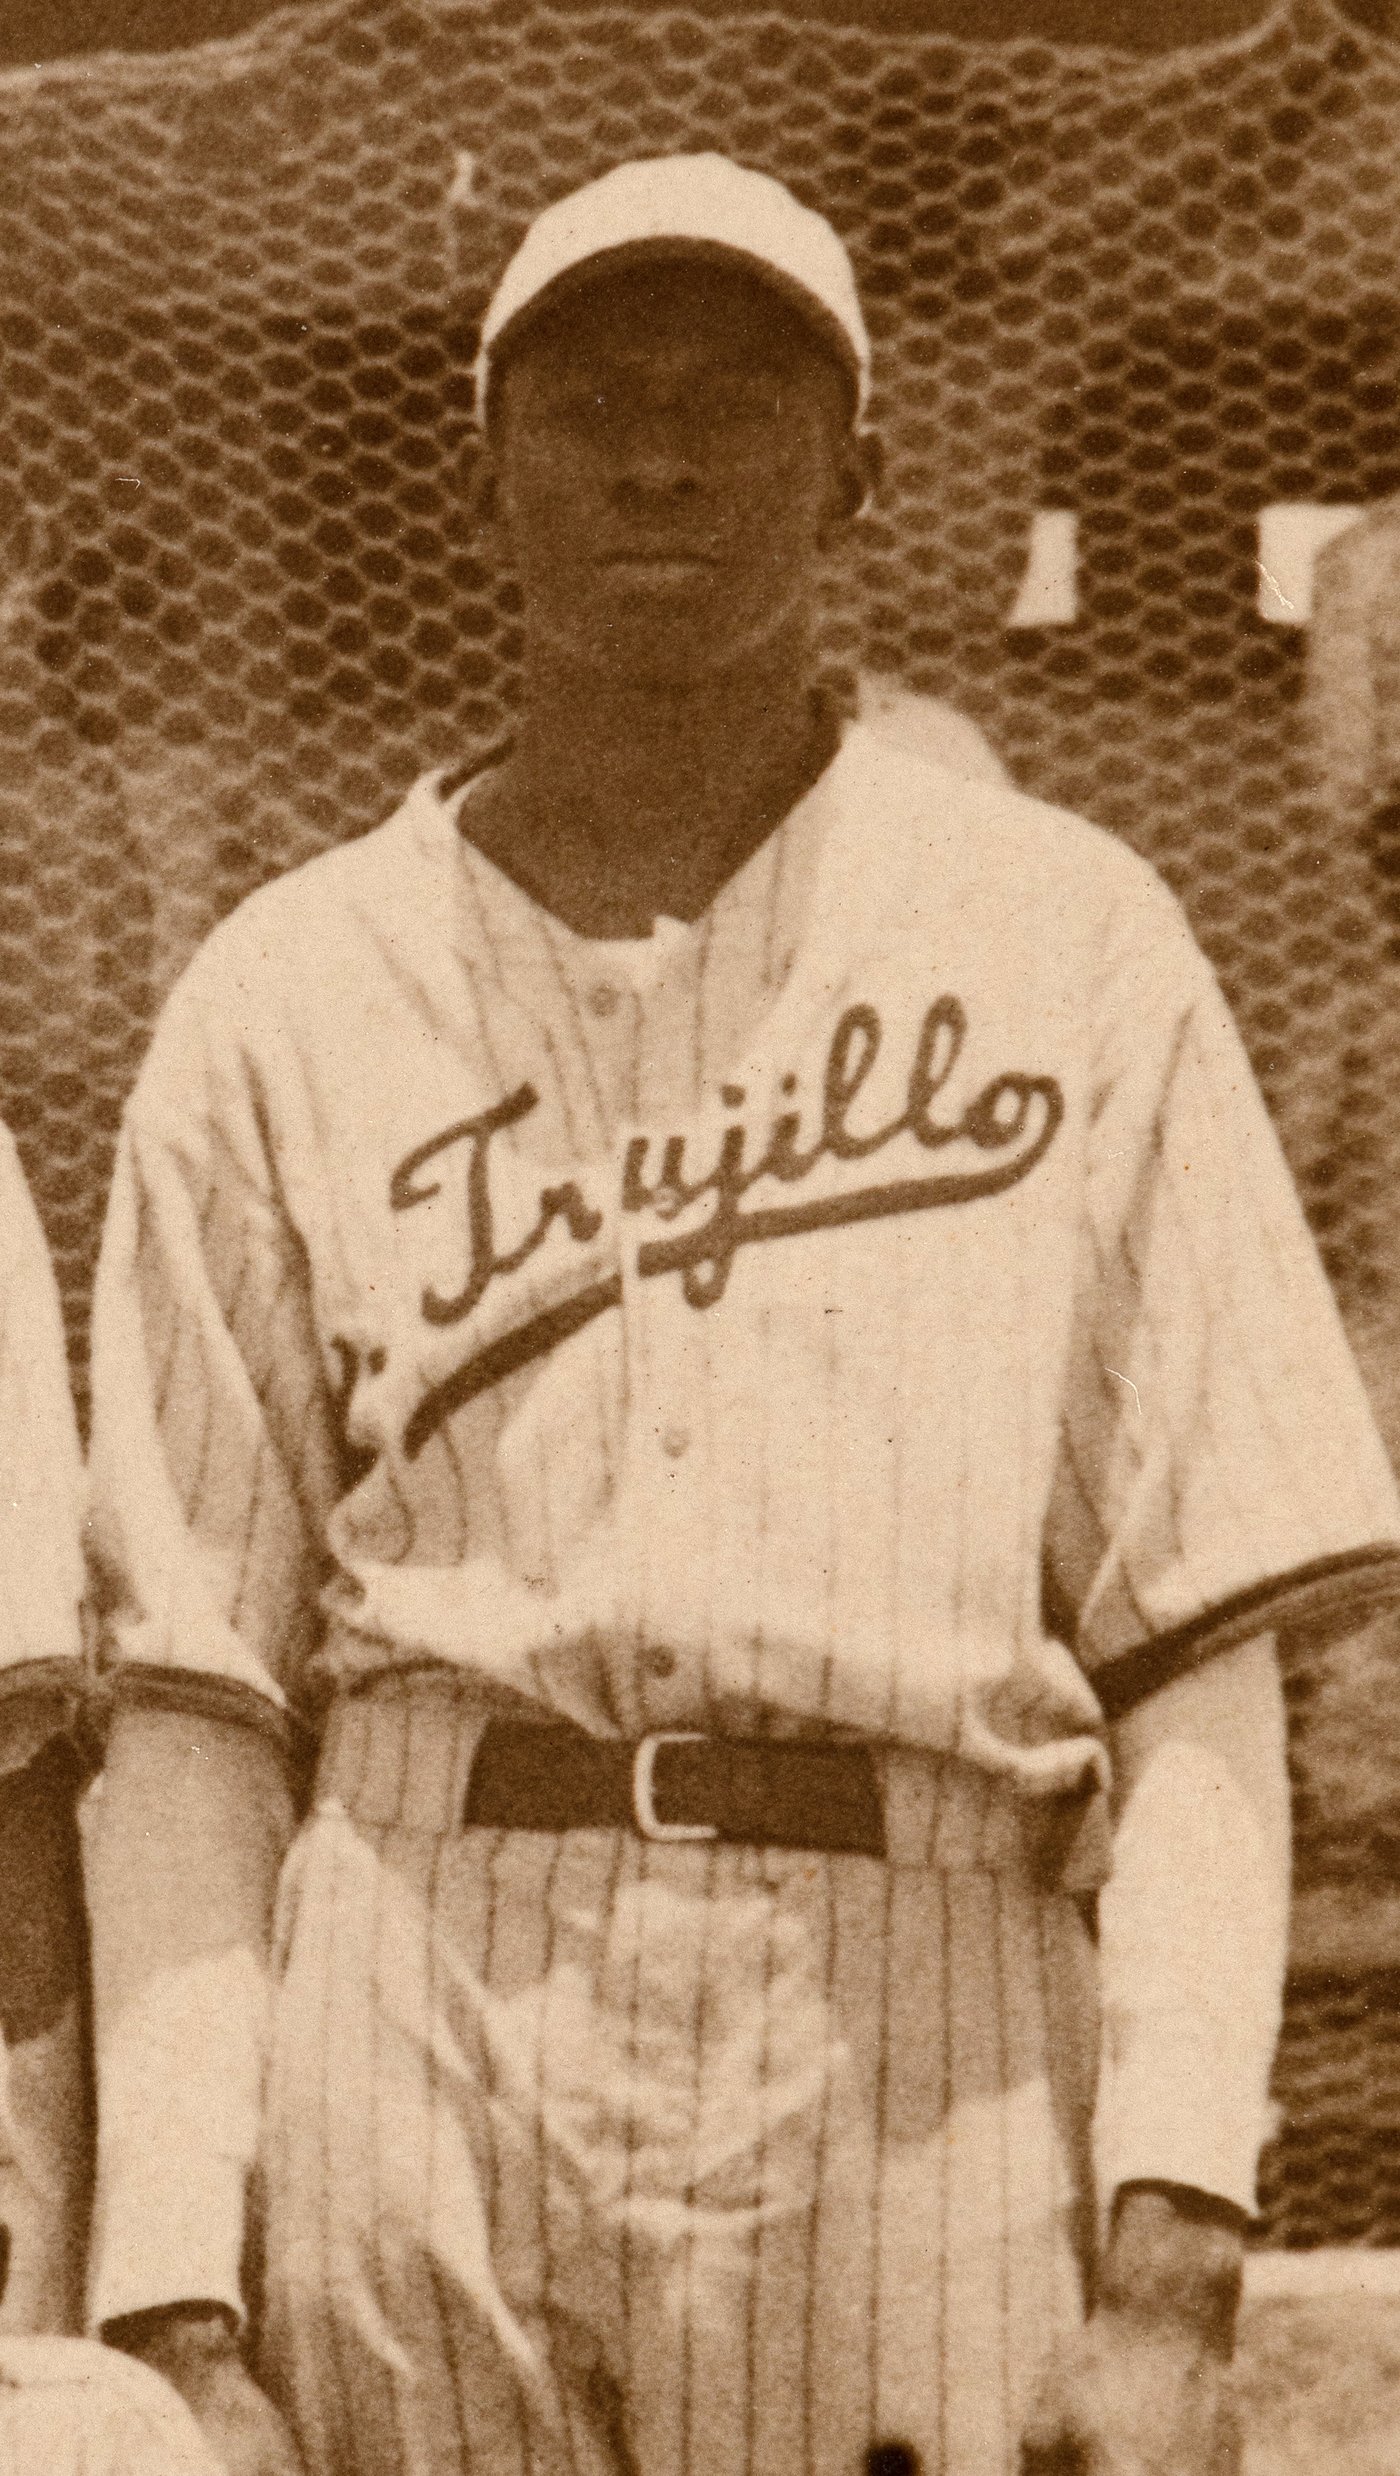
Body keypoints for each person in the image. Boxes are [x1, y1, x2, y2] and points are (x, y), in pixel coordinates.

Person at [82, 155, 1400, 2476]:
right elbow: (189, 1689)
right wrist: (180, 2287)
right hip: (420, 1969)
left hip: (916, 2012)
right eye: (588, 397)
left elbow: (1191, 1647)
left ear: (861, 471)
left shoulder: (1068, 940)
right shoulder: (283, 992)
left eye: (737, 395)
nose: (660, 451)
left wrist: (1176, 2247)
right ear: (481, 468)